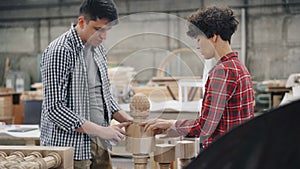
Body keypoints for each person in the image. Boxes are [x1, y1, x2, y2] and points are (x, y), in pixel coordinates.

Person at [142, 6, 255, 150]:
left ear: (213, 36)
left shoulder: (222, 72)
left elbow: (205, 127)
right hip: (239, 151)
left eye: (199, 39)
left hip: (222, 155)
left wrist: (171, 124)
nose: (197, 46)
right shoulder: (239, 67)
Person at [40, 0, 132, 168]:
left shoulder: (98, 49)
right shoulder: (60, 51)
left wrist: (125, 118)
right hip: (71, 148)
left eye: (107, 30)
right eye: (98, 29)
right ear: (82, 22)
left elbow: (103, 93)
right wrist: (102, 130)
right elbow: (54, 108)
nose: (103, 36)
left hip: (99, 143)